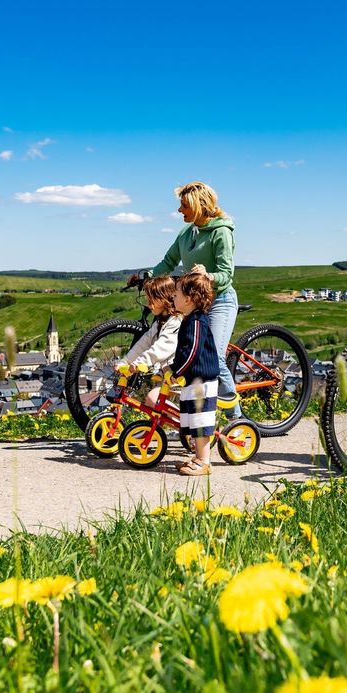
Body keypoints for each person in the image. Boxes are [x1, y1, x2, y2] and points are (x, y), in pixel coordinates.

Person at [133, 181, 241, 416]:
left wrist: (206, 276)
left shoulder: (220, 232)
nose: (179, 210)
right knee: (183, 356)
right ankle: (186, 417)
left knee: (214, 358)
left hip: (219, 301)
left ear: (199, 205)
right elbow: (168, 262)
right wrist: (147, 277)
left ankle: (237, 420)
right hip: (193, 304)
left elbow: (226, 275)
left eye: (183, 205)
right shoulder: (186, 232)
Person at [171, 266, 221, 476]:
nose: (173, 296)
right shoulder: (189, 319)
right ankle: (198, 458)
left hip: (202, 380)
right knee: (194, 421)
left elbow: (191, 351)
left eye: (177, 293)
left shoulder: (197, 321)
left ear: (189, 299)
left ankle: (204, 462)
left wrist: (176, 371)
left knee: (200, 424)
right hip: (194, 380)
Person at [115, 275, 181, 410]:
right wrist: (126, 361)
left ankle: (192, 426)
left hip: (183, 377)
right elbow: (143, 343)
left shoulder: (176, 322)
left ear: (165, 299)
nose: (148, 304)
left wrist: (140, 363)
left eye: (151, 300)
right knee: (153, 401)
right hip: (170, 377)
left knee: (154, 400)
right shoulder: (159, 322)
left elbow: (161, 348)